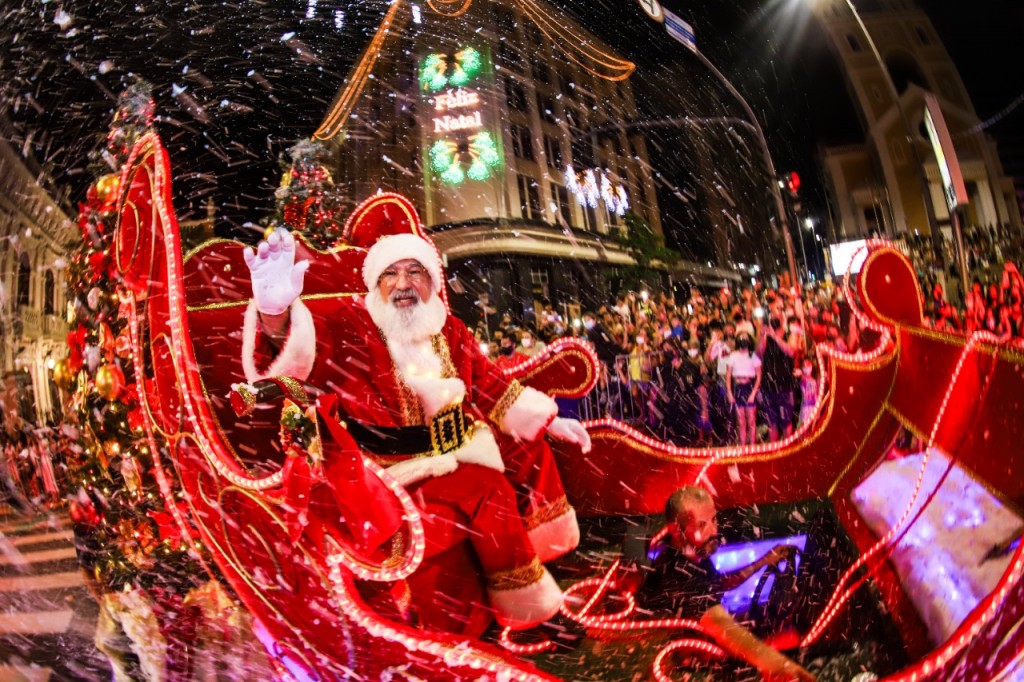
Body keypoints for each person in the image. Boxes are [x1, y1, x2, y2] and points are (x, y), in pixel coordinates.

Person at [241, 228, 591, 637]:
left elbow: (491, 385)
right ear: (376, 283)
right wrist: (273, 312)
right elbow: (298, 363)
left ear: (432, 282)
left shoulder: (449, 328)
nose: (404, 284)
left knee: (530, 447)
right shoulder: (351, 326)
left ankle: (537, 557)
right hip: (390, 466)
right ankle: (530, 613)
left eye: (415, 272)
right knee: (488, 489)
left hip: (454, 443)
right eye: (391, 273)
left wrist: (553, 420)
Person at [640, 487, 816, 682]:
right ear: (676, 529)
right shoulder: (676, 572)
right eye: (701, 524)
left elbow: (719, 585)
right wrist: (775, 664)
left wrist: (764, 561)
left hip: (693, 653)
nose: (713, 530)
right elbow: (719, 623)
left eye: (714, 519)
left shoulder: (695, 552)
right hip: (676, 666)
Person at [758, 317, 795, 442]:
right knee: (771, 422)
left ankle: (788, 449)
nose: (773, 329)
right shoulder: (765, 338)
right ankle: (773, 450)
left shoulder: (788, 336)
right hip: (768, 387)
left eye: (776, 327)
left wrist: (775, 336)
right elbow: (759, 353)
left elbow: (791, 351)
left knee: (786, 422)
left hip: (784, 386)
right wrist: (763, 336)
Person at [726, 333, 761, 446]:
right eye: (741, 338)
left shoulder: (753, 356)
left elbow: (759, 375)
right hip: (738, 388)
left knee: (751, 421)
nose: (743, 340)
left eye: (745, 338)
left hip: (749, 387)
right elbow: (728, 375)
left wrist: (753, 393)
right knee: (741, 422)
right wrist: (730, 392)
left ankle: (752, 447)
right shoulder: (733, 355)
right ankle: (742, 447)